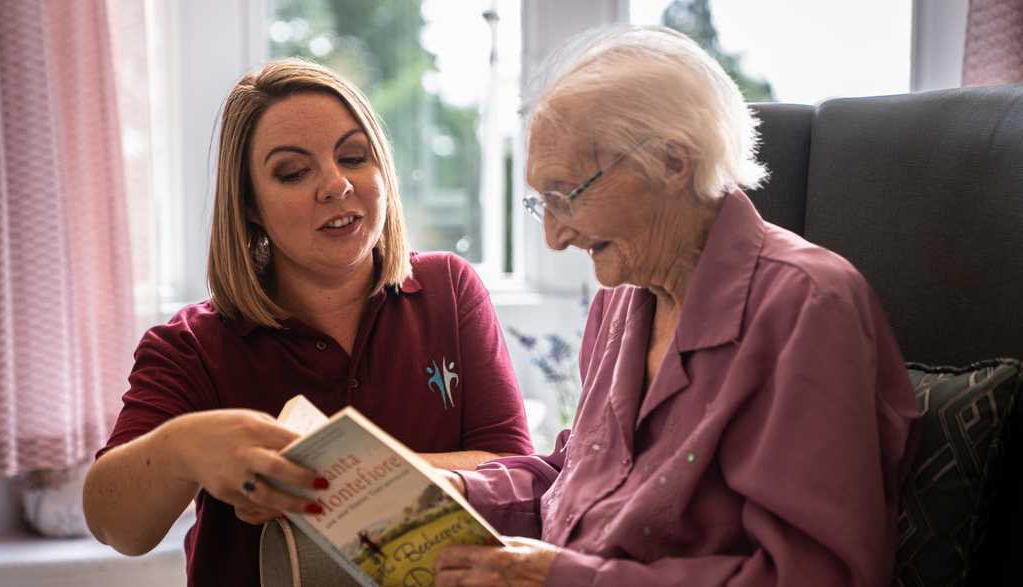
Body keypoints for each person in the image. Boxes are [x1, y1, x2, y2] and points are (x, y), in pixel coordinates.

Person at [434, 25, 919, 587]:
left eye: (566, 194)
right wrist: (463, 492)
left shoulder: (807, 306)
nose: (555, 238)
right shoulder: (620, 303)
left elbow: (815, 574)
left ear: (672, 162)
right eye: (541, 202)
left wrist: (567, 578)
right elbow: (581, 478)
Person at [82, 59, 533, 586]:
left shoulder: (449, 290)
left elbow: (514, 474)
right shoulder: (191, 346)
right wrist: (185, 448)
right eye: (294, 172)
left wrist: (329, 483)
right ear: (249, 206)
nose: (337, 185)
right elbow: (116, 527)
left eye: (353, 157)